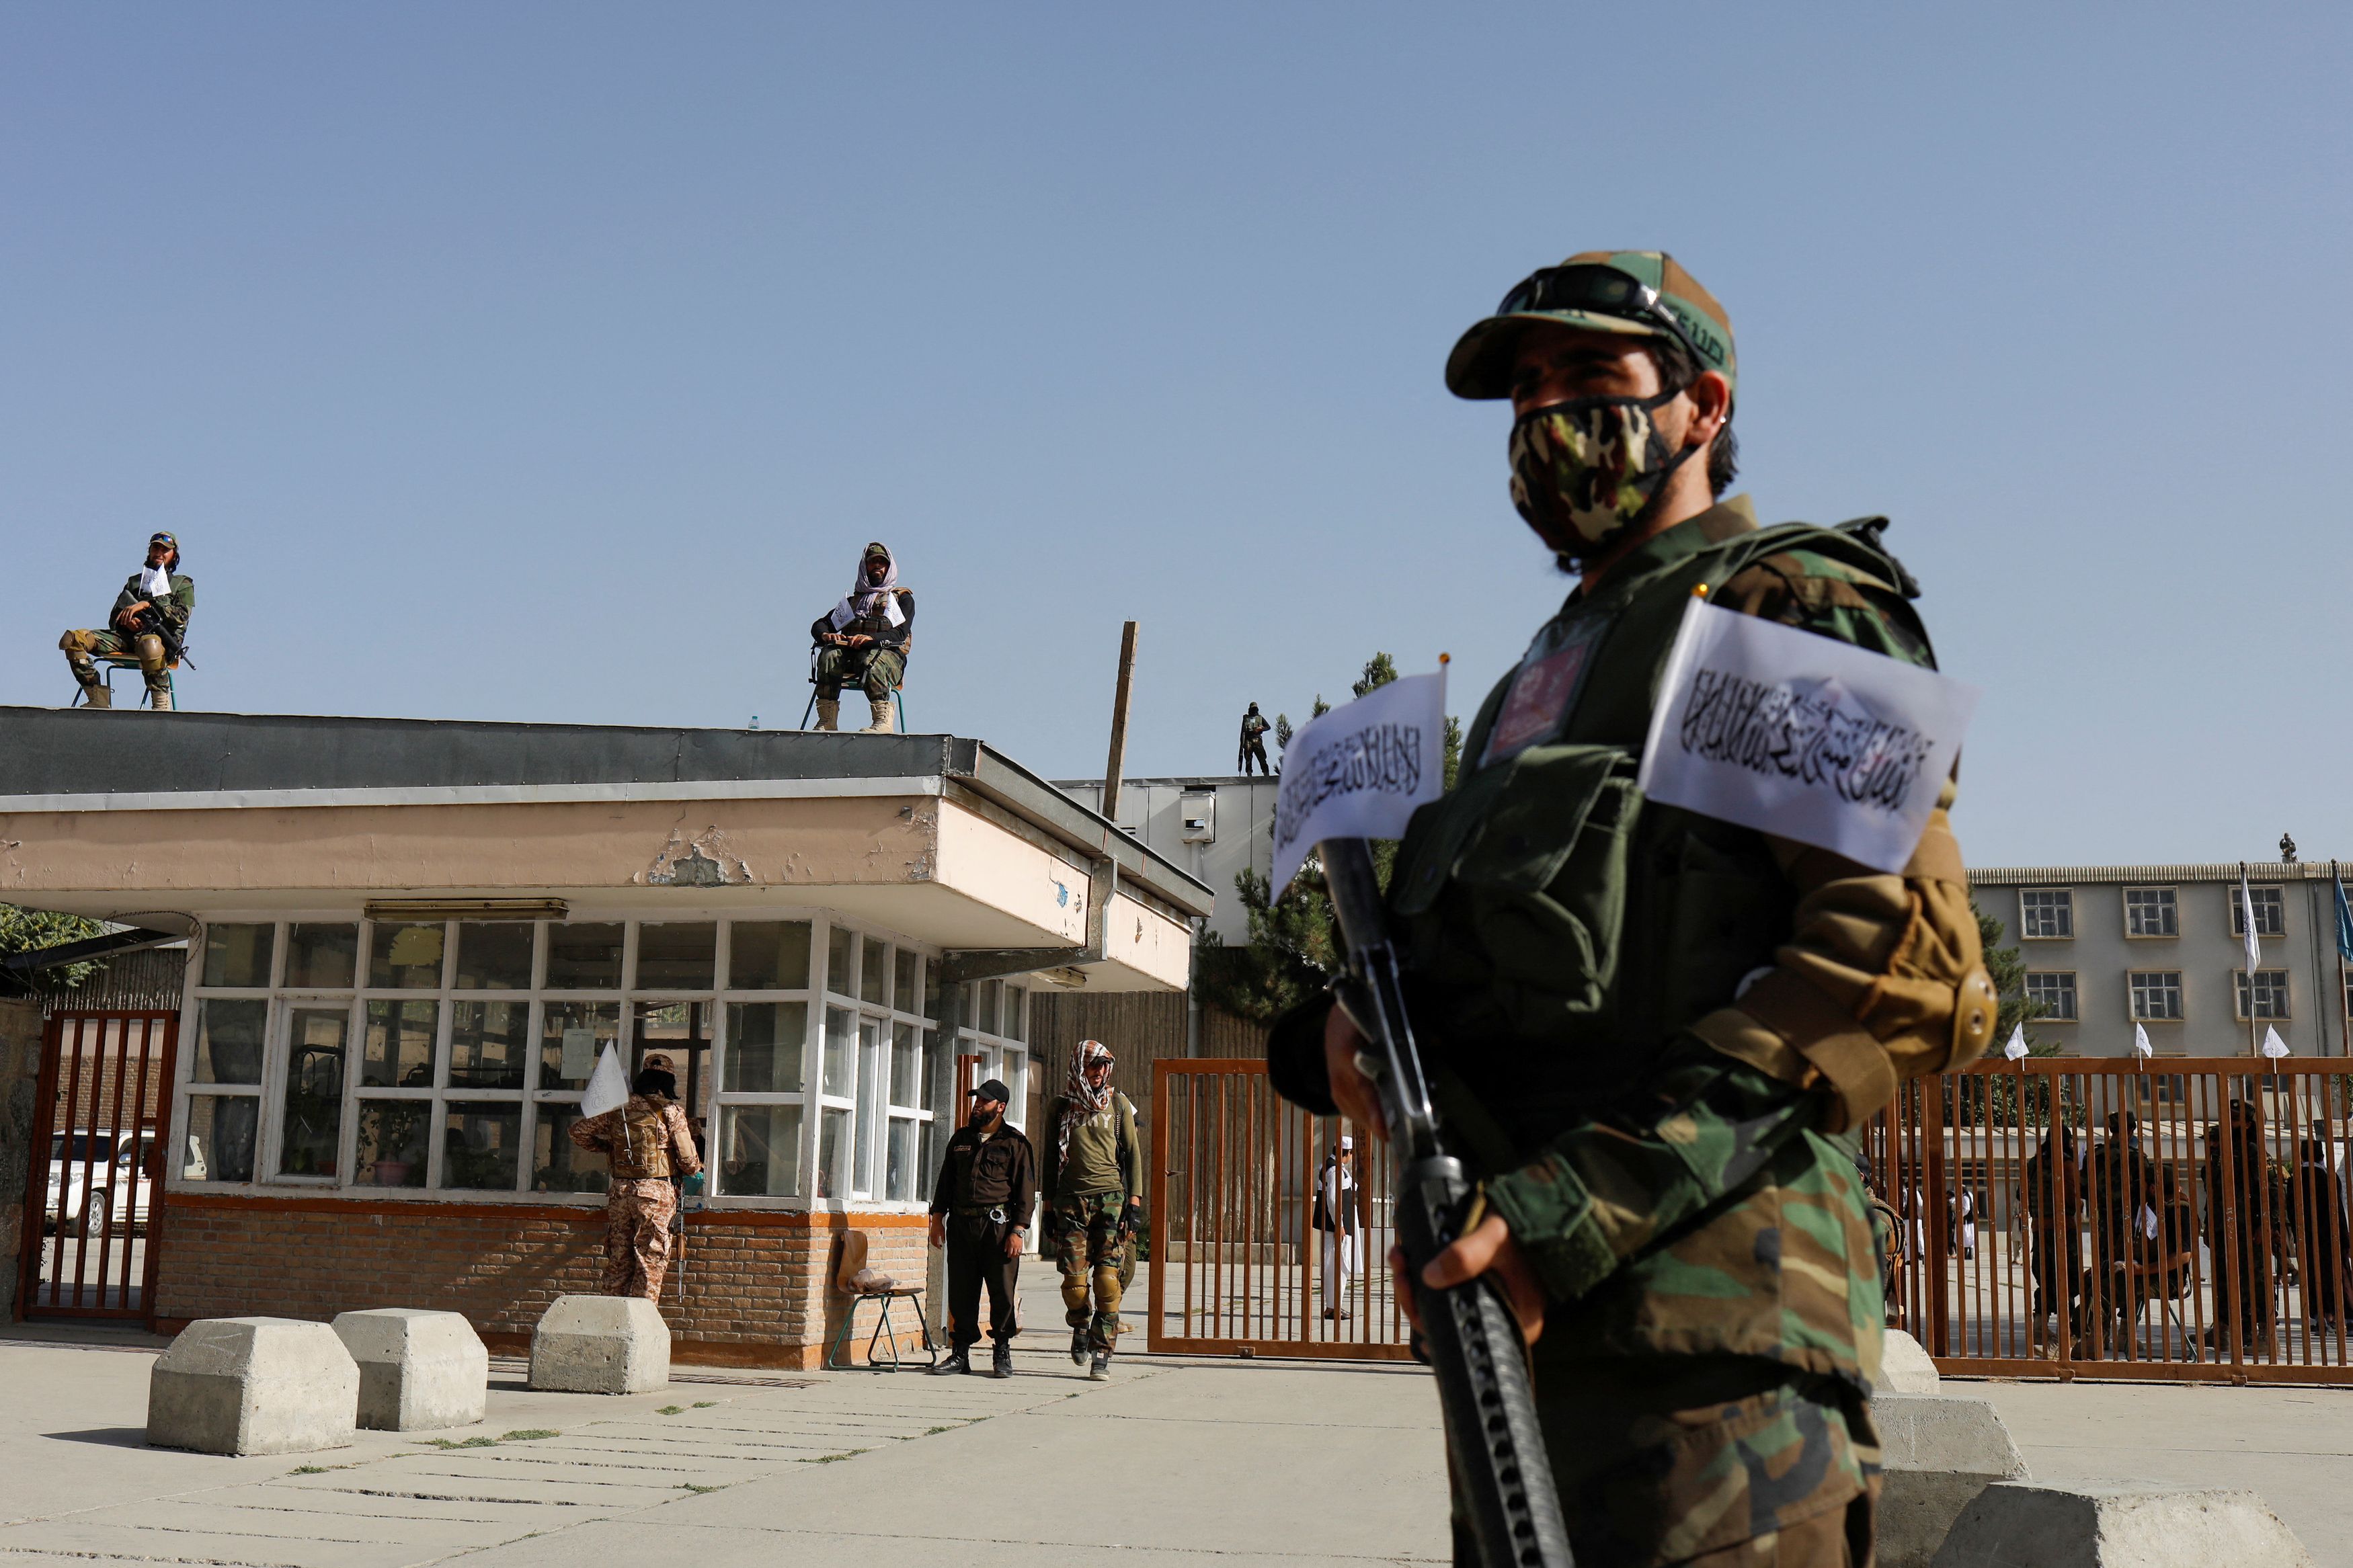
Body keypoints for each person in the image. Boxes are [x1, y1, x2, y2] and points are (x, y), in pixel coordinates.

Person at [1268, 250, 1994, 1565]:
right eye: (1527, 388)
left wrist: (1571, 1207)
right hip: (1526, 1354)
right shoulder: (1537, 679)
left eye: (1591, 375)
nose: (1548, 413)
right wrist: (1343, 1023)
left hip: (1713, 1377)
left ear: (1702, 405)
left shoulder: (1774, 602)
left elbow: (1895, 961)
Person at [1039, 1040, 1142, 1381]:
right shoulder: (1061, 1106)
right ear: (1078, 1068)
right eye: (1091, 1065)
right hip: (1071, 1203)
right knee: (1075, 1285)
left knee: (1107, 1282)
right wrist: (1048, 1208)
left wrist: (1134, 1204)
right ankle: (1081, 1324)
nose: (1098, 1072)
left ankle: (1102, 1352)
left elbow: (1133, 1154)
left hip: (1111, 1202)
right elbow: (1050, 1158)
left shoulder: (1118, 1103)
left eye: (1102, 1066)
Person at [926, 1077, 1035, 1378]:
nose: (977, 1105)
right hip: (962, 1225)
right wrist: (937, 1219)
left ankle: (1002, 1352)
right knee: (962, 1291)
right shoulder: (961, 1139)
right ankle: (960, 1354)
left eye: (985, 1101)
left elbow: (1025, 1191)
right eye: (977, 1100)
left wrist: (1018, 1230)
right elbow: (945, 1182)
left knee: (1002, 1292)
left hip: (998, 1228)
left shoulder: (1015, 1143)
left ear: (1000, 1107)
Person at [568, 1061, 701, 1301]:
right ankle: (642, 1320)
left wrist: (608, 1147)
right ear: (668, 1082)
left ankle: (610, 1318)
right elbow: (689, 1163)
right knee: (650, 1263)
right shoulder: (670, 1111)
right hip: (654, 1196)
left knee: (619, 1263)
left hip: (620, 1194)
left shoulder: (617, 1110)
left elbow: (578, 1132)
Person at [60, 532, 192, 711]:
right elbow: (114, 617)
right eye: (155, 548)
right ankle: (97, 697)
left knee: (150, 646)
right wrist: (126, 621)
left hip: (157, 642)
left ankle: (161, 704)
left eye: (165, 550)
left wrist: (147, 604)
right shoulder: (135, 582)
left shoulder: (182, 584)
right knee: (74, 639)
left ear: (174, 555)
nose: (159, 553)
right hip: (125, 638)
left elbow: (182, 616)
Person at [810, 541, 914, 733]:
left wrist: (870, 640)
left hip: (887, 660)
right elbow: (820, 625)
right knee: (829, 655)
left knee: (871, 660)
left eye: (882, 562)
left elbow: (900, 633)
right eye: (872, 562)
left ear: (889, 567)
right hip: (850, 658)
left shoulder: (900, 599)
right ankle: (827, 720)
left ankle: (883, 722)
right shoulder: (854, 603)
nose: (877, 566)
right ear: (865, 567)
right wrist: (826, 635)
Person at [2202, 1101, 2279, 1358]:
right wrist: (2208, 1224)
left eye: (2235, 1119)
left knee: (2256, 1281)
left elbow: (2271, 1191)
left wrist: (2265, 1224)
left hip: (2248, 1228)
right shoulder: (2221, 1152)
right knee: (2223, 1280)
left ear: (2247, 1124)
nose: (2230, 1124)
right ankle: (2223, 1331)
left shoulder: (2254, 1152)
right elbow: (2213, 1192)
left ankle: (2266, 1334)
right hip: (2222, 1227)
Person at [2020, 1126, 2083, 1355]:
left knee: (2045, 1279)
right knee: (2067, 1280)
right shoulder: (2066, 1164)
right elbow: (2073, 1200)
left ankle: (2039, 1328)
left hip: (2039, 1228)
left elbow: (2021, 1193)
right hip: (2063, 1230)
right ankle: (2065, 1337)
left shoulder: (2034, 1164)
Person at [2296, 1118, 2348, 1334]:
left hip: (2307, 1238)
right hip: (2330, 1237)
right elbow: (2338, 1211)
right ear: (2322, 1156)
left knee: (2313, 1276)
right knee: (2333, 1275)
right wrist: (2345, 1238)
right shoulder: (2330, 1177)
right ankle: (2334, 1316)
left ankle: (2319, 1316)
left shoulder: (2297, 1178)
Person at [1314, 1133, 1367, 1320]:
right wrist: (1340, 1224)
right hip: (1337, 1226)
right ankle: (1333, 1307)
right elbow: (1333, 1199)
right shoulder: (1334, 1170)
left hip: (1338, 1224)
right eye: (1351, 1153)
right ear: (1348, 1153)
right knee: (1339, 1265)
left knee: (1335, 1265)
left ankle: (1333, 1306)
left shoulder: (1331, 1167)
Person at [1238, 702, 1273, 776]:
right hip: (1248, 739)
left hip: (1257, 739)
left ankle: (1266, 774)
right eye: (1252, 709)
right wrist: (1242, 744)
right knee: (1248, 757)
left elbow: (1268, 727)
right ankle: (1249, 774)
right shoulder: (1246, 718)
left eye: (1255, 709)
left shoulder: (1260, 718)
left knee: (1261, 757)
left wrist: (1261, 729)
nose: (1254, 711)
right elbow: (1243, 731)